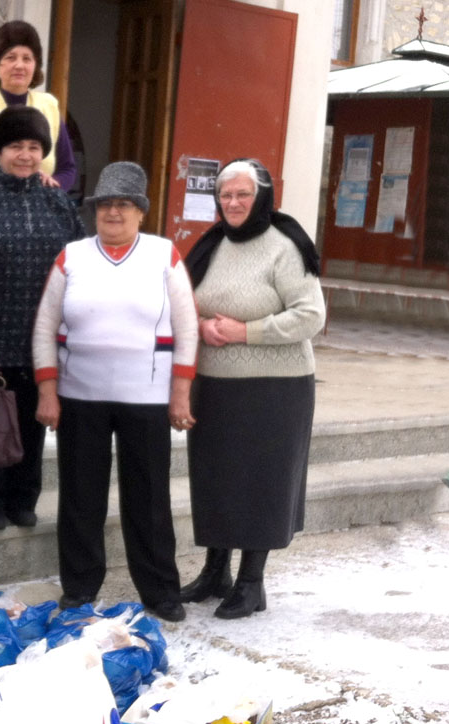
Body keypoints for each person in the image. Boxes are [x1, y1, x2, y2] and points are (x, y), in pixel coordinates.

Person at [32, 161, 197, 622]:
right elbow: (45, 326)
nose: (113, 213)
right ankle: (80, 587)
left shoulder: (165, 255)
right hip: (81, 394)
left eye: (124, 205)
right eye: (105, 204)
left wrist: (180, 393)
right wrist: (48, 391)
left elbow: (187, 329)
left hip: (146, 398)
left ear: (141, 213)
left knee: (148, 499)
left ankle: (161, 591)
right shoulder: (73, 256)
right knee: (81, 497)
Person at [180, 158, 325, 620]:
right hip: (215, 384)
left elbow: (311, 316)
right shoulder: (211, 245)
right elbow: (185, 300)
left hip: (274, 388)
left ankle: (251, 583)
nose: (234, 203)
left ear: (261, 197)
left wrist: (247, 331)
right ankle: (215, 572)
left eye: (243, 195)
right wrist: (201, 325)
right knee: (216, 479)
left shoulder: (285, 246)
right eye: (226, 195)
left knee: (260, 483)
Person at [0, 106, 84, 531]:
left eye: (34, 147)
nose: (25, 155)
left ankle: (22, 496)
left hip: (39, 336)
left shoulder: (58, 202)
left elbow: (78, 261)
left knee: (31, 421)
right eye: (16, 146)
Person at [0, 20, 76, 191]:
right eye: (10, 57)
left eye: (27, 58)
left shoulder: (49, 105)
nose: (19, 65)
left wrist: (50, 188)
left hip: (40, 208)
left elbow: (67, 168)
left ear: (35, 65)